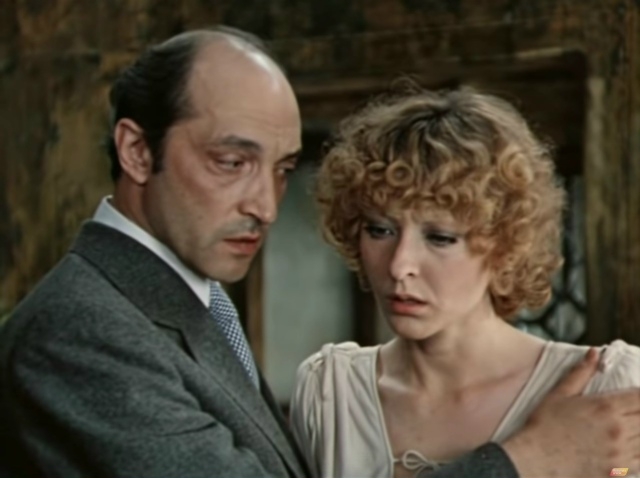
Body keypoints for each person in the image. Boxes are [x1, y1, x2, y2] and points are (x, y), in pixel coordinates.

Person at [0, 26, 637, 478]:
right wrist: (527, 461)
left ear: (506, 242)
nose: (266, 206)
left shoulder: (613, 385)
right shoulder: (82, 331)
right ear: (138, 152)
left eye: (281, 169)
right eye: (231, 162)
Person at [291, 86, 640, 478]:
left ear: (505, 244)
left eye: (440, 238)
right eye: (380, 230)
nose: (400, 266)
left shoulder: (607, 388)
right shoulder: (330, 394)